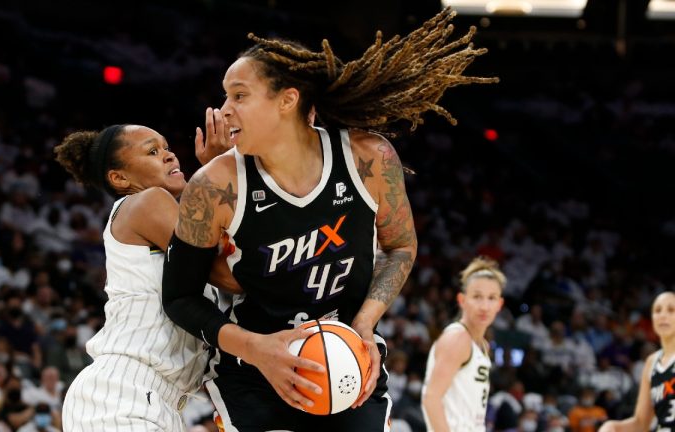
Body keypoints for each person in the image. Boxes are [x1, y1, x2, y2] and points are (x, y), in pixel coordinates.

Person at [162, 7, 497, 431]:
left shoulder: (369, 159)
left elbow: (400, 246)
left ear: (288, 99)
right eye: (226, 96)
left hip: (348, 356)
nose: (224, 109)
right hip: (255, 366)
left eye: (239, 95)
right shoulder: (213, 186)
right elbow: (179, 298)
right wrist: (257, 347)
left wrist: (363, 325)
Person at [55, 124, 237, 431]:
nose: (168, 156)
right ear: (120, 178)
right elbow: (228, 274)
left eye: (166, 147)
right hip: (125, 394)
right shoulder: (147, 202)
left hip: (159, 401)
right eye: (152, 151)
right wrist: (220, 171)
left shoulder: (162, 213)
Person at [421, 257, 506, 432]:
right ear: (462, 300)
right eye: (477, 296)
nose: (484, 306)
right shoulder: (458, 339)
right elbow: (431, 398)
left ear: (500, 304)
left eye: (491, 298)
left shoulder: (482, 345)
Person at [599, 291, 675, 432]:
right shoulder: (651, 362)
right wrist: (614, 427)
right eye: (658, 310)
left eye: (671, 310)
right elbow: (641, 424)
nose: (663, 315)